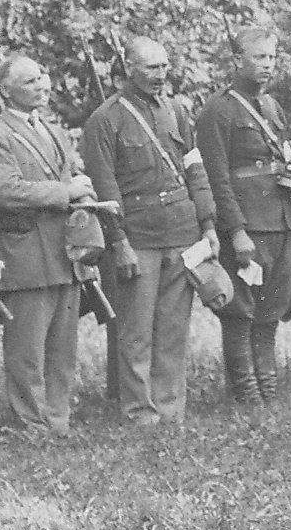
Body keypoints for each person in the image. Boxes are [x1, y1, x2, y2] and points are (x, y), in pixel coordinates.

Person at [78, 36, 214, 426]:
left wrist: (207, 225)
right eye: (151, 68)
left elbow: (195, 171)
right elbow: (106, 189)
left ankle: (170, 410)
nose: (160, 75)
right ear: (128, 70)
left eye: (165, 67)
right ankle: (139, 412)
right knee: (136, 332)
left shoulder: (177, 111)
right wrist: (118, 243)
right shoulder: (106, 120)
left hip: (182, 233)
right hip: (138, 238)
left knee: (173, 330)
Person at [0, 53, 101, 437]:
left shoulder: (54, 131)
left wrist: (81, 187)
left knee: (62, 346)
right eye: (29, 81)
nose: (42, 84)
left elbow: (65, 178)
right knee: (26, 349)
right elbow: (6, 191)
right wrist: (67, 190)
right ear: (5, 91)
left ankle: (58, 420)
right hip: (25, 251)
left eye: (43, 75)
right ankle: (30, 422)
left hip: (65, 250)